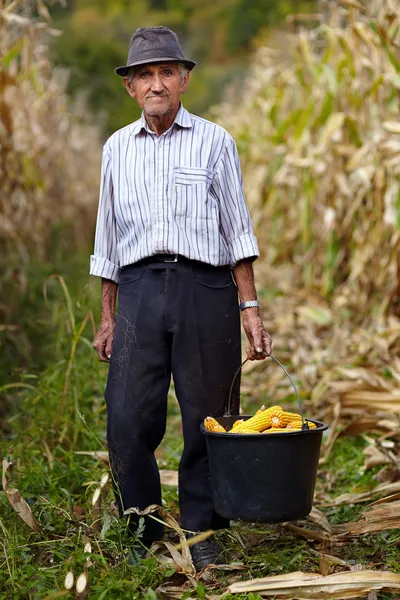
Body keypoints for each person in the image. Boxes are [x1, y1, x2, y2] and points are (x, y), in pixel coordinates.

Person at [90, 26, 272, 570]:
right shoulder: (117, 148)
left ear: (184, 79)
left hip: (205, 288)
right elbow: (108, 237)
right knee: (126, 416)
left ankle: (202, 532)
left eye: (166, 71)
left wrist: (250, 308)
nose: (156, 83)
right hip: (141, 289)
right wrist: (107, 315)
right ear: (130, 87)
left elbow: (237, 231)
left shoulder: (215, 141)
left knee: (209, 417)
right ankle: (141, 527)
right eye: (144, 74)